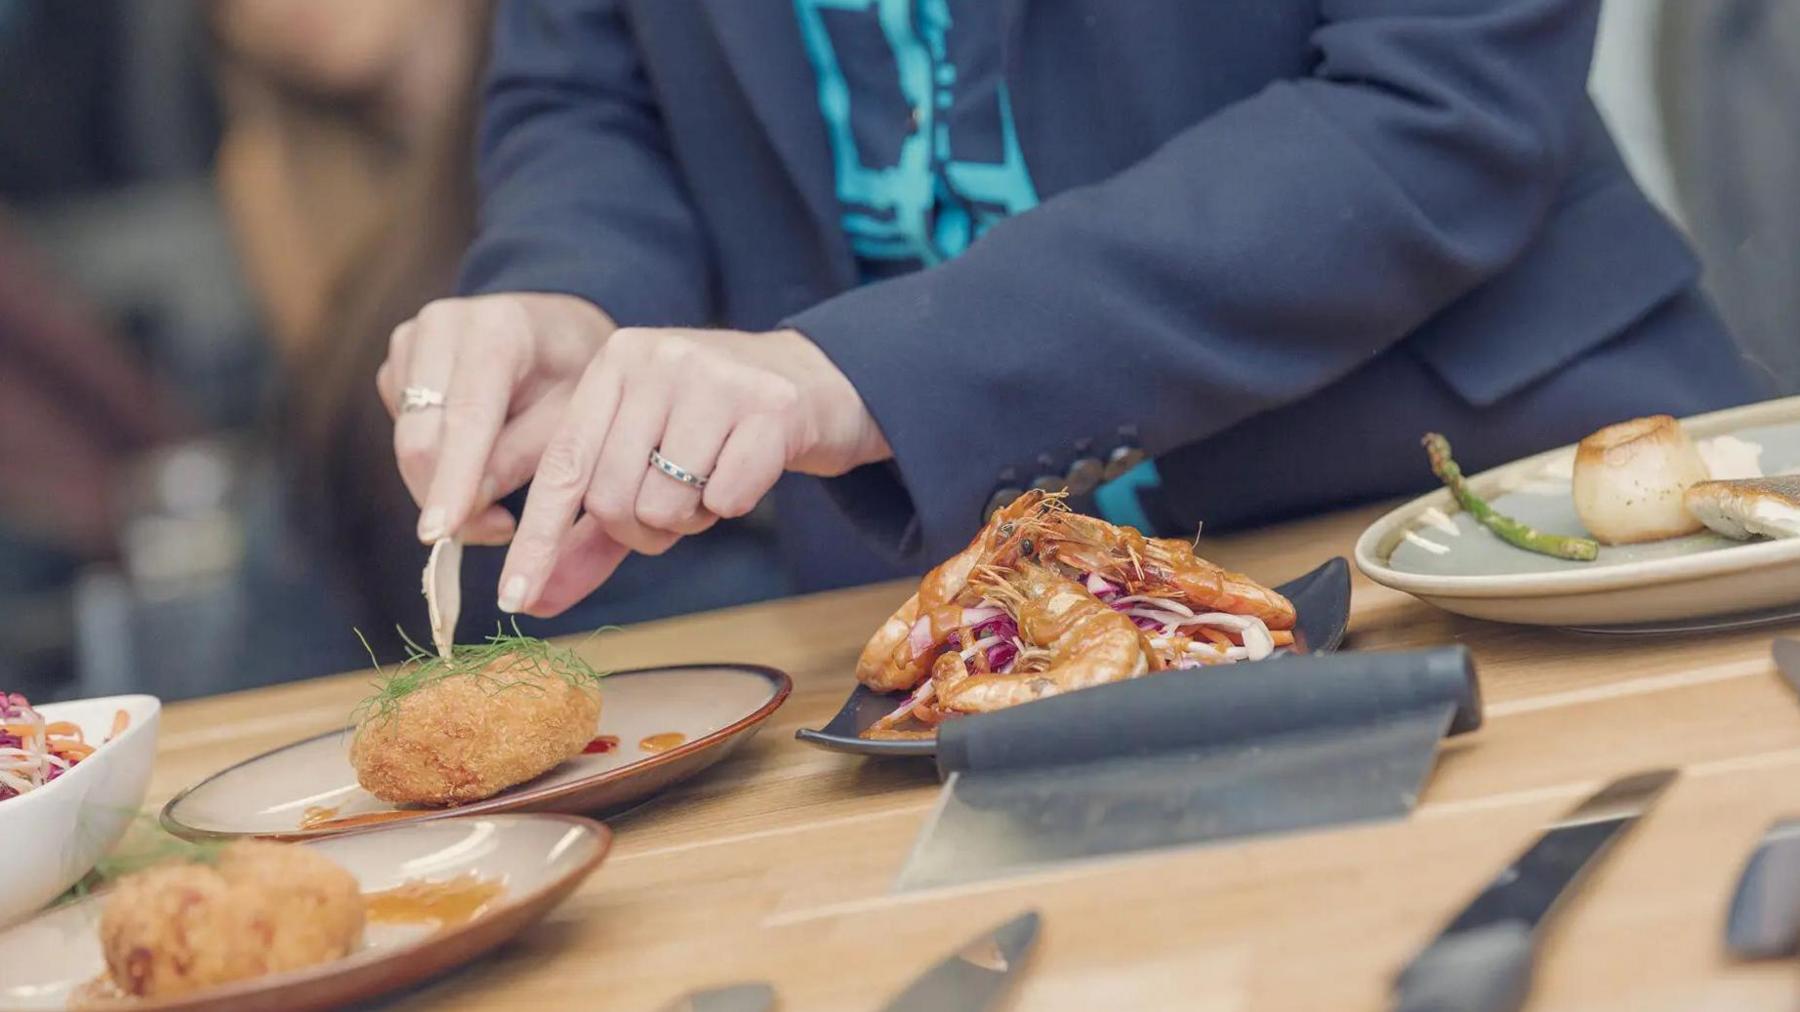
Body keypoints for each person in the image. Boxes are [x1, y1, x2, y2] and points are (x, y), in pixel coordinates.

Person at [379, 0, 1760, 620]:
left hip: (1481, 546)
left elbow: (1438, 105)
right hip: (953, 626)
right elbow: (589, 99)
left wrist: (859, 373)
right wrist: (574, 292)